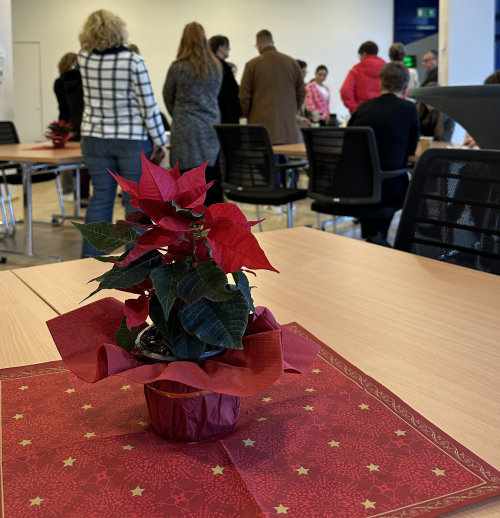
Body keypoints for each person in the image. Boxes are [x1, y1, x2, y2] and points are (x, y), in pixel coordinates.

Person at [78, 9, 167, 257]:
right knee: (135, 203)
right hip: (130, 139)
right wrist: (161, 140)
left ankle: (89, 259)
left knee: (100, 198)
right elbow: (148, 106)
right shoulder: (133, 61)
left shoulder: (83, 58)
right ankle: (136, 263)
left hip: (94, 137)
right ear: (119, 30)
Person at [348, 62, 420, 243]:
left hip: (358, 186)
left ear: (380, 82)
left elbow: (350, 144)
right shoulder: (409, 109)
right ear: (405, 86)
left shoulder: (362, 108)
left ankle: (374, 237)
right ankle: (377, 237)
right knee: (394, 180)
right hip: (391, 187)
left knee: (375, 190)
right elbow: (411, 150)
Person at [163, 22, 223, 205]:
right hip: (210, 127)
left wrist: (179, 114)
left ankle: (187, 228)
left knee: (185, 182)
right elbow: (216, 94)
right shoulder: (216, 67)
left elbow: (168, 95)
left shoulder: (177, 67)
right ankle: (213, 227)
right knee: (210, 178)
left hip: (185, 129)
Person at [239, 29, 305, 144]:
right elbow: (301, 92)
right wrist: (291, 110)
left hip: (260, 128)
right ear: (273, 43)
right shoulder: (292, 63)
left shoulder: (251, 65)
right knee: (287, 161)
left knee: (265, 160)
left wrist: (247, 115)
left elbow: (244, 96)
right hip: (287, 129)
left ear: (259, 45)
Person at [340, 41, 386, 115]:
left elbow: (345, 91)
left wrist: (355, 109)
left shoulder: (356, 70)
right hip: (384, 112)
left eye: (360, 56)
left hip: (363, 112)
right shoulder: (387, 68)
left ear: (364, 54)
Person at [208, 35, 241, 123]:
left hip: (212, 113)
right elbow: (232, 90)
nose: (229, 49)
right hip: (225, 113)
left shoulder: (207, 65)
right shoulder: (223, 66)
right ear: (220, 48)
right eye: (227, 47)